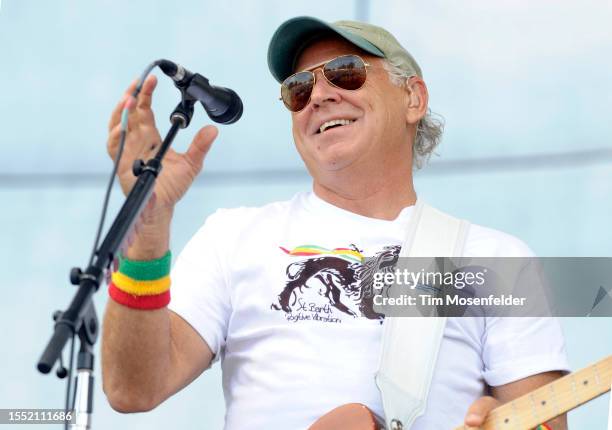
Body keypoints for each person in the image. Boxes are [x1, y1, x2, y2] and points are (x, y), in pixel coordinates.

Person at [101, 16, 569, 429]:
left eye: (347, 73)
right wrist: (149, 223)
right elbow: (132, 390)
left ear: (413, 98)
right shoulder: (233, 236)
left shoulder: (498, 260)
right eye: (298, 89)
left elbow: (545, 421)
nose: (320, 95)